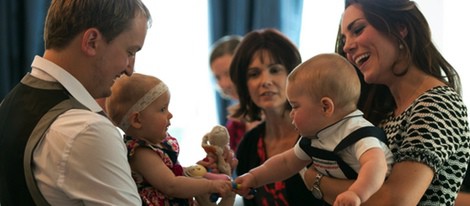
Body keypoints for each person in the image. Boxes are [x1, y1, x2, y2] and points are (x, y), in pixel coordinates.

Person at [302, 0, 470, 205]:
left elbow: (396, 200)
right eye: (344, 38)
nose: (347, 46)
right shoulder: (388, 110)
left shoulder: (437, 103)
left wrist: (314, 180)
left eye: (358, 29)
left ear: (400, 28)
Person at [0, 0, 151, 205]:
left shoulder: (9, 105)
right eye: (130, 52)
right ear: (91, 42)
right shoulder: (87, 129)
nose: (130, 69)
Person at [234, 53, 394, 206]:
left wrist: (356, 193)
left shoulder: (358, 134)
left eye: (295, 106)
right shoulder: (316, 138)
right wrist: (254, 178)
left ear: (325, 107)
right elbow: (285, 162)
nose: (291, 114)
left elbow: (376, 165)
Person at [106, 73, 234, 206]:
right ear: (137, 120)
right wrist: (210, 185)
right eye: (162, 109)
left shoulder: (156, 143)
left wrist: (196, 170)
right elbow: (171, 185)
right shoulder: (141, 153)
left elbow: (173, 172)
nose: (170, 114)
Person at [229, 28, 322, 205]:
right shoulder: (248, 145)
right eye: (254, 74)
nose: (265, 81)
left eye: (275, 70)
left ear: (293, 74)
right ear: (245, 84)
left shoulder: (319, 136)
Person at [209, 35, 258, 152]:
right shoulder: (234, 123)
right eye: (218, 77)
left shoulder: (272, 111)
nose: (224, 84)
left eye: (228, 73)